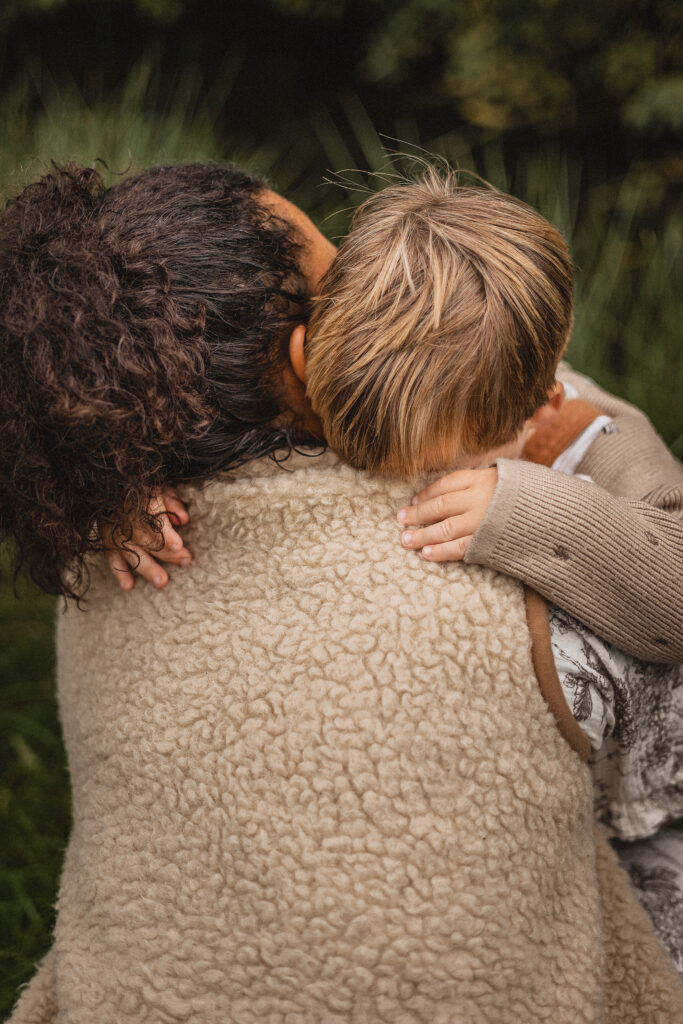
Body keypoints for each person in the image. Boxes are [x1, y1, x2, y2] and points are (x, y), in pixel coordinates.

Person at [2, 163, 682, 1021]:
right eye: (340, 290)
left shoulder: (116, 538)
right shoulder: (481, 547)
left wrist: (115, 487)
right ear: (301, 353)